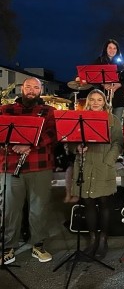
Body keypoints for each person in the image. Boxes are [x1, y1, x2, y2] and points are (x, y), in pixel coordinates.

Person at [0, 77, 56, 265]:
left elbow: (52, 134)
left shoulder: (48, 112)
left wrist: (29, 144)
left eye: (36, 87)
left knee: (39, 208)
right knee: (9, 209)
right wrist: (14, 146)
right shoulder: (5, 110)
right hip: (8, 165)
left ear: (40, 91)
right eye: (28, 87)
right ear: (21, 89)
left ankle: (38, 245)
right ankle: (8, 246)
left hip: (39, 166)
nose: (31, 90)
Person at [72, 89, 123, 258]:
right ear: (88, 102)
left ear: (104, 102)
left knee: (104, 203)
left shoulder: (112, 120)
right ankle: (93, 239)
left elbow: (118, 143)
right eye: (92, 99)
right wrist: (77, 148)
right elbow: (70, 140)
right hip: (85, 164)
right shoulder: (80, 118)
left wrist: (109, 160)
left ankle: (103, 239)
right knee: (87, 202)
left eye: (99, 100)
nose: (95, 102)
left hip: (103, 164)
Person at [94, 39, 124, 120]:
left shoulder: (121, 63)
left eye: (115, 48)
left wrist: (119, 84)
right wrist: (103, 84)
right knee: (103, 123)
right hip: (102, 97)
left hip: (118, 98)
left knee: (116, 123)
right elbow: (92, 77)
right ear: (105, 49)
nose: (112, 50)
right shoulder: (99, 61)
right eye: (110, 48)